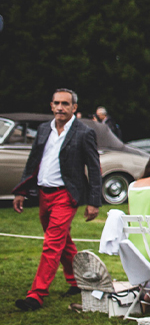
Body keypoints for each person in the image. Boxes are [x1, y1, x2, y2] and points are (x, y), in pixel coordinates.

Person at [13, 89, 102, 311]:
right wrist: (21, 191)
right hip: (44, 193)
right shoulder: (44, 129)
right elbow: (33, 161)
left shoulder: (84, 132)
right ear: (51, 106)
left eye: (65, 103)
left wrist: (94, 201)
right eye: (56, 103)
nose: (60, 107)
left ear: (74, 108)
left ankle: (36, 294)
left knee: (52, 243)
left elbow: (94, 167)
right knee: (62, 241)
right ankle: (75, 280)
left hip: (66, 194)